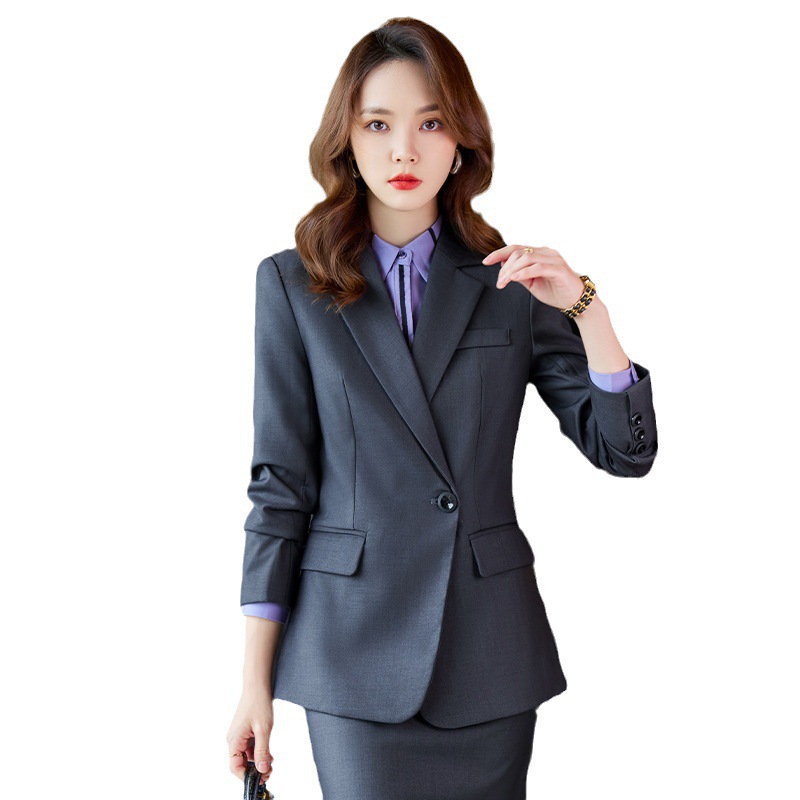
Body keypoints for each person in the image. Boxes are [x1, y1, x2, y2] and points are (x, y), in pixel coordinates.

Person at [226, 16, 657, 800]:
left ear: (461, 141)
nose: (404, 151)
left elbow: (625, 451)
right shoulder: (292, 285)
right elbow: (280, 487)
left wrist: (587, 309)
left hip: (486, 653)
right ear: (345, 140)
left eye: (429, 124)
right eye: (378, 125)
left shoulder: (511, 284)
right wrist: (254, 681)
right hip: (351, 651)